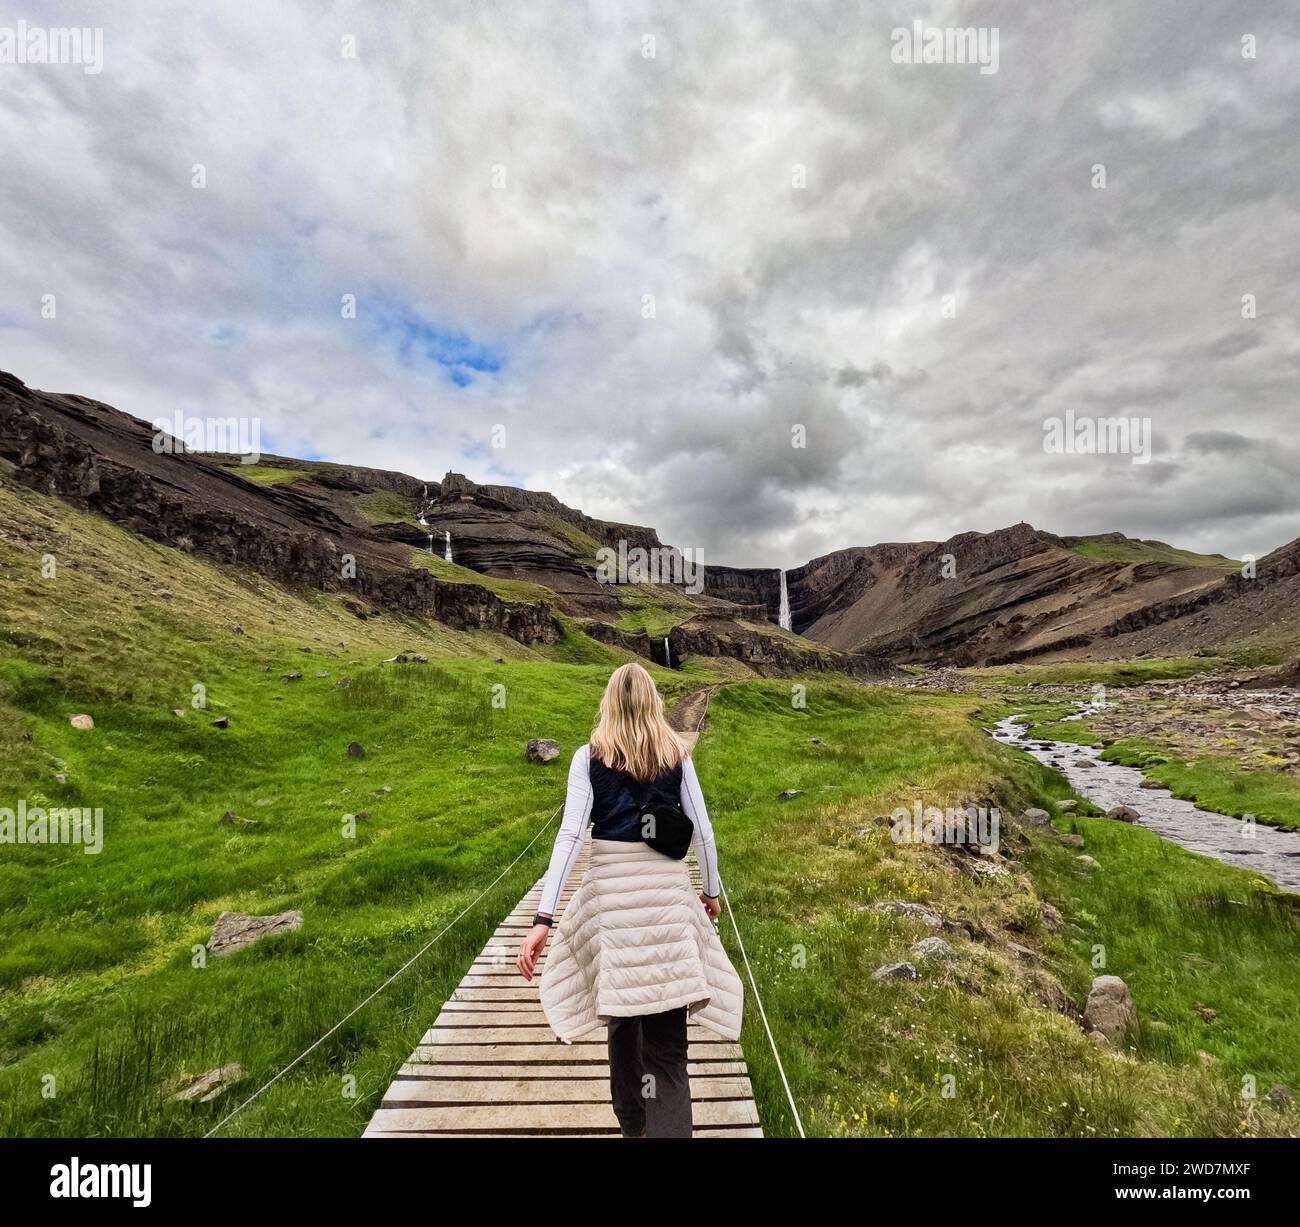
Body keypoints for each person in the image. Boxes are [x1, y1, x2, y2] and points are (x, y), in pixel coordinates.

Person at [516, 662, 743, 1138]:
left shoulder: (588, 757)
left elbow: (571, 836)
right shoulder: (676, 754)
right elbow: (703, 834)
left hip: (612, 906)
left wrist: (543, 917)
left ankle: (633, 1127)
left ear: (609, 703)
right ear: (654, 703)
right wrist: (711, 891)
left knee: (621, 1024)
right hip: (666, 902)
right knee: (667, 1048)